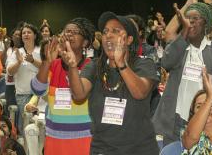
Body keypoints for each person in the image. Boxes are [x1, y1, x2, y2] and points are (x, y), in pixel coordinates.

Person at [62, 12, 160, 155]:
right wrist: (72, 67)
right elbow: (78, 94)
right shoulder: (95, 66)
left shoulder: (144, 64)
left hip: (139, 149)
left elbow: (140, 92)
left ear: (129, 39)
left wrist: (121, 63)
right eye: (105, 31)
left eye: (116, 31)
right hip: (103, 148)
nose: (108, 35)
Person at [152, 0, 212, 146]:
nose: (191, 22)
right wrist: (184, 33)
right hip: (177, 118)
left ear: (206, 23)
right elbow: (166, 62)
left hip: (208, 118)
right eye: (188, 18)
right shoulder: (179, 46)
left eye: (196, 18)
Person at [30, 18, 95, 155]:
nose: (69, 34)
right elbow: (38, 89)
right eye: (67, 31)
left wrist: (72, 66)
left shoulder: (91, 66)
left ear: (85, 42)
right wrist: (47, 61)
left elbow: (79, 96)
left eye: (75, 32)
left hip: (83, 139)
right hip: (55, 139)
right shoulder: (54, 65)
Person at [6, 23, 41, 135]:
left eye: (29, 32)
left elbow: (48, 68)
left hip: (40, 95)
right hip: (23, 95)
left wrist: (32, 61)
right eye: (24, 33)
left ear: (35, 35)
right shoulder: (17, 52)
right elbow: (9, 72)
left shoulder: (41, 51)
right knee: (25, 126)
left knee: (40, 125)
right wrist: (19, 62)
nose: (26, 34)